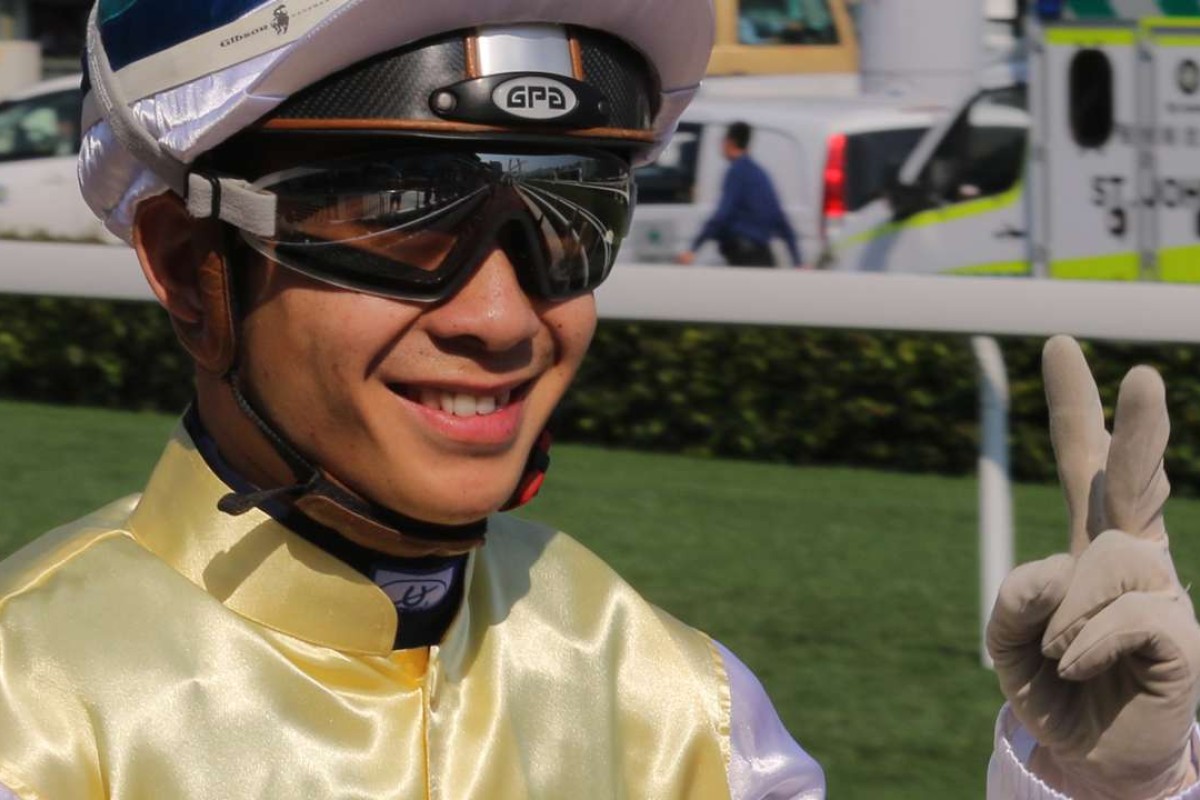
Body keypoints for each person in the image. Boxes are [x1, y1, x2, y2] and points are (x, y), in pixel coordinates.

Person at [0, 2, 1196, 799]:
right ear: (190, 266)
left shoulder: (686, 700)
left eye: (569, 218)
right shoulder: (32, 708)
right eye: (399, 212)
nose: (505, 317)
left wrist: (1096, 785)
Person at [677, 121, 802, 268]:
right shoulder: (759, 173)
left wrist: (694, 248)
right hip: (763, 254)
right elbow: (780, 218)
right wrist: (798, 260)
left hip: (743, 255)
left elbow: (722, 214)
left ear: (730, 142)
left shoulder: (736, 172)